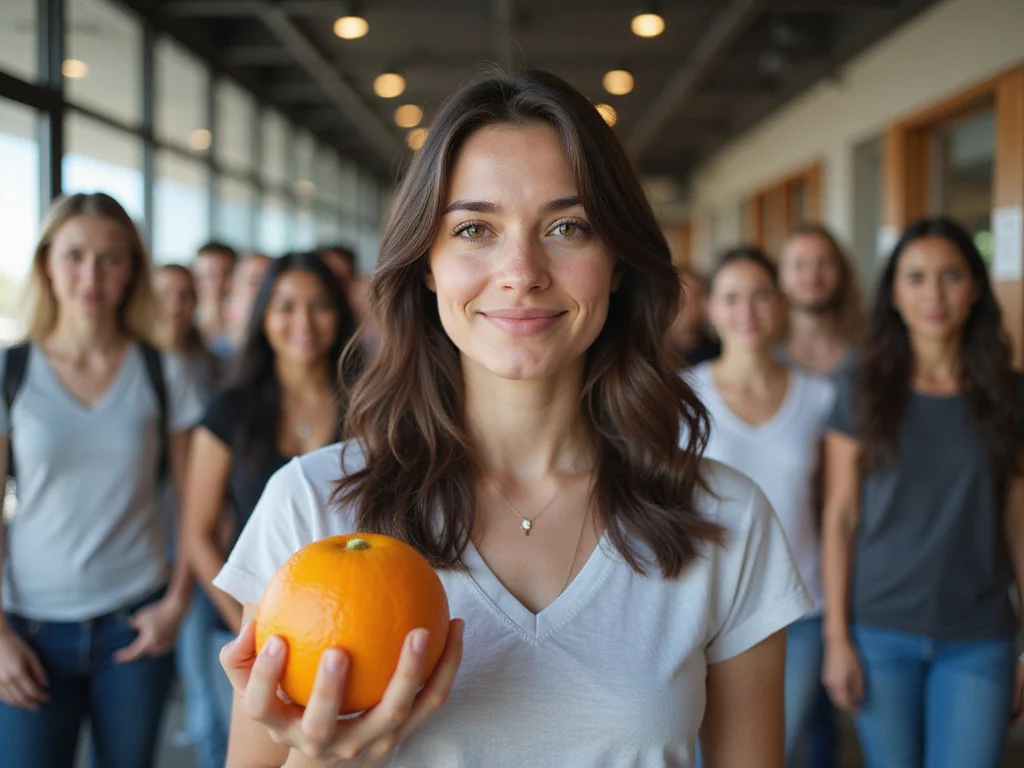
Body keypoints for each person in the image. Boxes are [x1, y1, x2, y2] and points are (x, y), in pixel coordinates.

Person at [213, 69, 810, 768]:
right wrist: (323, 759)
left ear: (618, 262)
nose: (521, 271)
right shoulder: (312, 507)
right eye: (475, 229)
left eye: (568, 227)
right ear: (427, 265)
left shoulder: (725, 517)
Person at [0, 193, 203, 767]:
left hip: (134, 623)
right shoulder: (11, 370)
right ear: (46, 263)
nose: (91, 276)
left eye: (111, 258)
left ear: (132, 269)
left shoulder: (163, 371)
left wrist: (177, 602)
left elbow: (196, 503)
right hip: (29, 630)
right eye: (75, 256)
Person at [820, 216, 1024, 768]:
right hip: (880, 631)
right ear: (894, 294)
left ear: (975, 287)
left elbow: (1018, 519)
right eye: (915, 277)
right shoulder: (861, 387)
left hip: (979, 634)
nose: (934, 294)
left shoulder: (1009, 394)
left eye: (950, 275)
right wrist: (836, 638)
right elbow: (840, 516)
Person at [687, 246, 834, 767]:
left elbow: (833, 509)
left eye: (760, 296)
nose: (746, 312)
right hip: (703, 608)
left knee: (775, 752)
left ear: (781, 303)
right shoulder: (682, 395)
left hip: (800, 608)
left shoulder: (820, 397)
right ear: (710, 308)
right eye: (731, 298)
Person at [183, 253, 357, 673]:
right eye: (286, 307)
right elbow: (198, 533)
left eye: (320, 306)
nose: (304, 322)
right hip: (250, 633)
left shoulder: (368, 405)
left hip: (350, 626)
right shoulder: (230, 411)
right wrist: (246, 630)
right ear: (263, 316)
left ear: (339, 315)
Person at [154, 263, 230, 768]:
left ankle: (215, 746)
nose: (176, 305)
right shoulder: (142, 363)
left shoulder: (210, 362)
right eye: (166, 295)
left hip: (204, 523)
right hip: (154, 527)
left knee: (205, 649)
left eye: (186, 295)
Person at [777, 224, 862, 379]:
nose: (812, 277)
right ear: (780, 274)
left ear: (842, 272)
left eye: (825, 263)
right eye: (799, 265)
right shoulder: (764, 352)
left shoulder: (868, 348)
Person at [192, 241, 238, 354]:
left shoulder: (251, 328)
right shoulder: (183, 326)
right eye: (209, 275)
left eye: (226, 274)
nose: (217, 284)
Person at [223, 252, 273, 353]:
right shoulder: (214, 350)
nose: (263, 290)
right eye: (254, 282)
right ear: (232, 286)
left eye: (269, 283)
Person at [669, 268, 720, 366]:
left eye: (694, 298)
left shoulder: (718, 352)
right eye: (680, 299)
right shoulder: (652, 354)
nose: (685, 307)